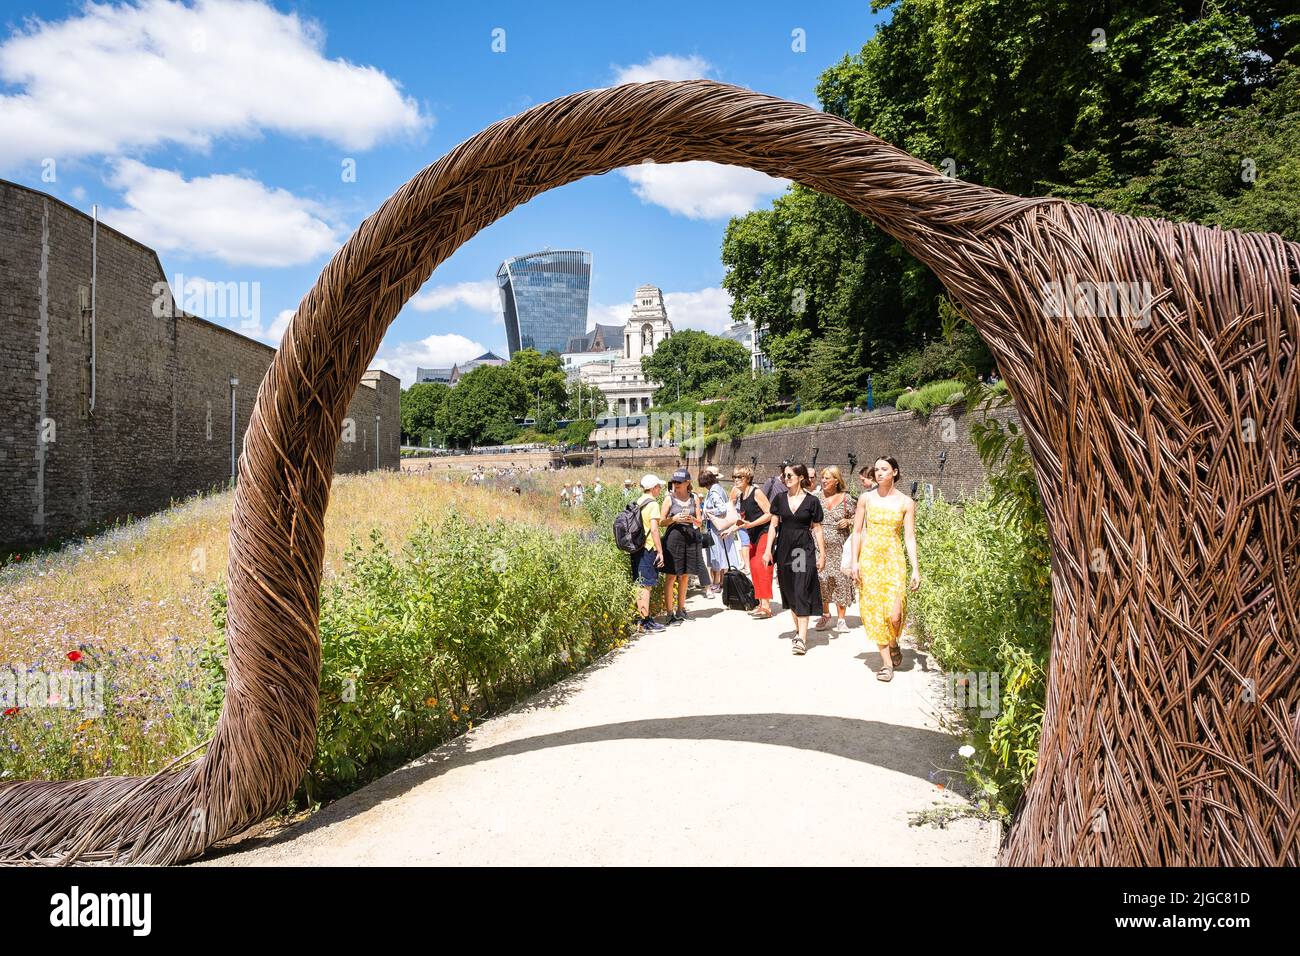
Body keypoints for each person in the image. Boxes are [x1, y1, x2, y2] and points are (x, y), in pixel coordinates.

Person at [851, 456, 920, 682]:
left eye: (884, 469)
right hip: (870, 558)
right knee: (873, 609)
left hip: (893, 559)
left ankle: (893, 641)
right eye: (877, 469)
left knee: (895, 614)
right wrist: (855, 562)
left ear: (895, 472)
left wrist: (915, 569)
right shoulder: (865, 499)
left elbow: (909, 537)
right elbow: (858, 532)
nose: (879, 473)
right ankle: (887, 664)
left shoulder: (906, 502)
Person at [764, 463, 825, 655]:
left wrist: (822, 553)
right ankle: (800, 631)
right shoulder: (780, 499)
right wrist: (767, 550)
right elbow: (773, 526)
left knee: (800, 589)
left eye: (790, 475)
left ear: (800, 477)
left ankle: (802, 638)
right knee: (789, 591)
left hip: (802, 551)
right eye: (785, 475)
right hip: (784, 550)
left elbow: (817, 528)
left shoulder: (812, 501)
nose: (786, 478)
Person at [813, 465, 856, 632]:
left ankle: (841, 619)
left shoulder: (847, 499)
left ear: (836, 481)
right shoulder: (816, 498)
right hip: (819, 545)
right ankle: (825, 614)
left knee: (840, 580)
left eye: (827, 478)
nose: (823, 481)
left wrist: (849, 521)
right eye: (822, 477)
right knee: (822, 579)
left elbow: (859, 517)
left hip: (840, 546)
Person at [659, 468, 704, 625]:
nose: (675, 484)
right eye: (674, 482)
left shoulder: (695, 498)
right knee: (671, 576)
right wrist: (674, 519)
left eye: (679, 482)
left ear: (687, 483)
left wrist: (692, 519)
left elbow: (700, 522)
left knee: (685, 575)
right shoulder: (669, 499)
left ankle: (681, 609)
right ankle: (670, 612)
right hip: (674, 539)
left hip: (689, 538)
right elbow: (660, 521)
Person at [733, 465, 775, 618]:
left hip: (764, 533)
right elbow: (743, 519)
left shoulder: (756, 492)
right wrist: (731, 529)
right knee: (754, 567)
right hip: (752, 534)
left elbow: (770, 513)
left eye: (740, 477)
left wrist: (750, 524)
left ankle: (767, 607)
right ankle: (760, 603)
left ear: (747, 478)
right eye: (735, 477)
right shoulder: (741, 495)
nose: (736, 480)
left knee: (761, 566)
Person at [630, 474, 668, 633]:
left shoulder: (638, 501)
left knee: (640, 584)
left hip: (636, 548)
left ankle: (642, 619)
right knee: (646, 586)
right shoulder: (652, 504)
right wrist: (660, 551)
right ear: (653, 488)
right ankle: (645, 622)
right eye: (659, 486)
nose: (660, 489)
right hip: (648, 549)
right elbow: (654, 529)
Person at [699, 470, 740, 594]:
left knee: (716, 555)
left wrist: (709, 512)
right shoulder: (719, 488)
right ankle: (721, 582)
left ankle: (716, 583)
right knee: (723, 555)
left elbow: (721, 509)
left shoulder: (714, 491)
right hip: (722, 528)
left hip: (717, 528)